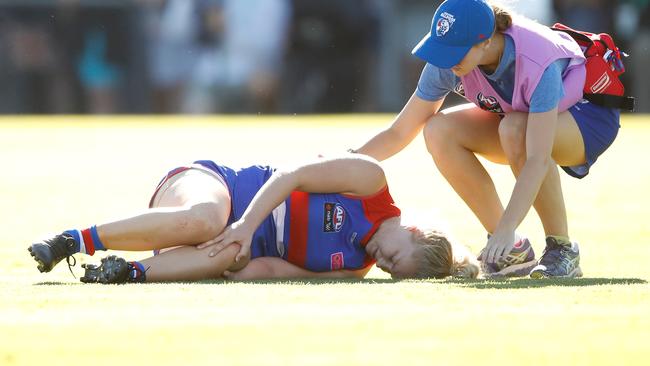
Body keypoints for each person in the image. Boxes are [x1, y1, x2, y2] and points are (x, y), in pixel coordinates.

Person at [351, 0, 622, 278]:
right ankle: (510, 252)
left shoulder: (537, 59)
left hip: (588, 118)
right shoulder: (448, 62)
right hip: (522, 118)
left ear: (486, 41)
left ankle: (562, 249)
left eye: (455, 50)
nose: (446, 58)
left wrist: (509, 224)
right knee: (438, 129)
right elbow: (399, 132)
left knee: (515, 129)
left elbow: (538, 159)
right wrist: (347, 161)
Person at [28, 154, 479, 283]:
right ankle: (73, 240)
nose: (379, 263)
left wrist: (240, 262)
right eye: (394, 259)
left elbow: (271, 269)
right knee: (207, 221)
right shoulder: (370, 182)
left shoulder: (353, 268)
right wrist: (243, 226)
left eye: (388, 272)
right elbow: (292, 174)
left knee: (223, 255)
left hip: (212, 246)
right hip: (208, 188)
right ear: (414, 232)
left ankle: (123, 273)